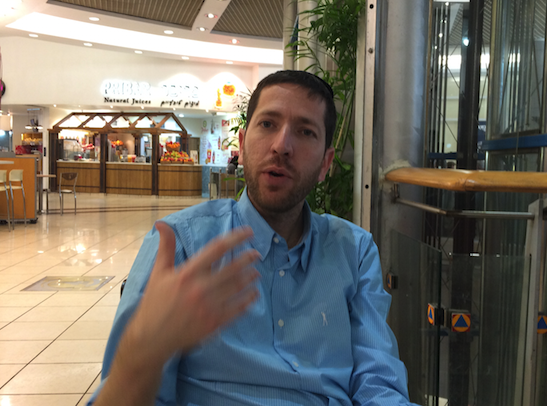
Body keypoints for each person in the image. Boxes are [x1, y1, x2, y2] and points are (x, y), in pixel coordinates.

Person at [89, 70, 417, 406]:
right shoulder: (180, 244)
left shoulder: (354, 251)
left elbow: (378, 385)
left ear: (325, 164)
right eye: (268, 124)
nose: (282, 146)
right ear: (242, 146)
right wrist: (138, 357)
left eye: (305, 132)